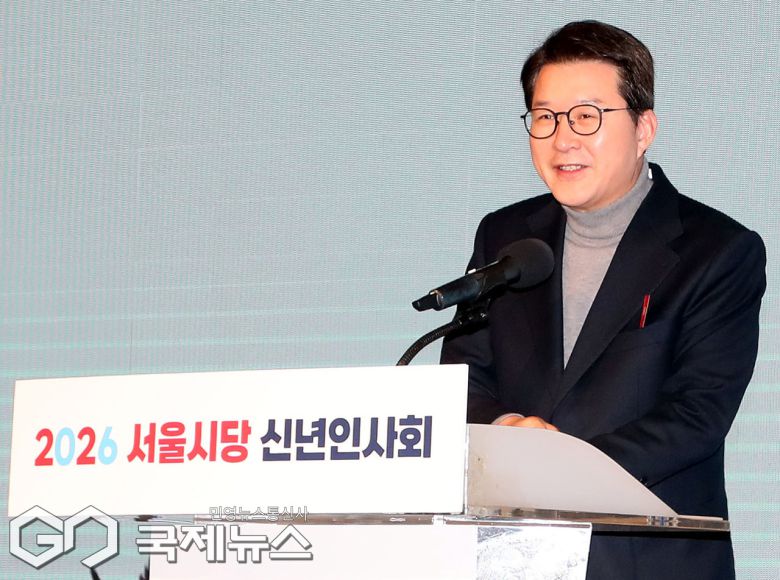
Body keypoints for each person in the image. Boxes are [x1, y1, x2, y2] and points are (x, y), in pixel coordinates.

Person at [440, 20, 766, 580]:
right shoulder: (506, 238)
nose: (562, 139)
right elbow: (463, 380)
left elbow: (697, 415)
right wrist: (507, 428)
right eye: (545, 117)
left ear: (644, 128)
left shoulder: (717, 251)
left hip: (645, 561)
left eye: (587, 116)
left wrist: (563, 469)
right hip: (510, 555)